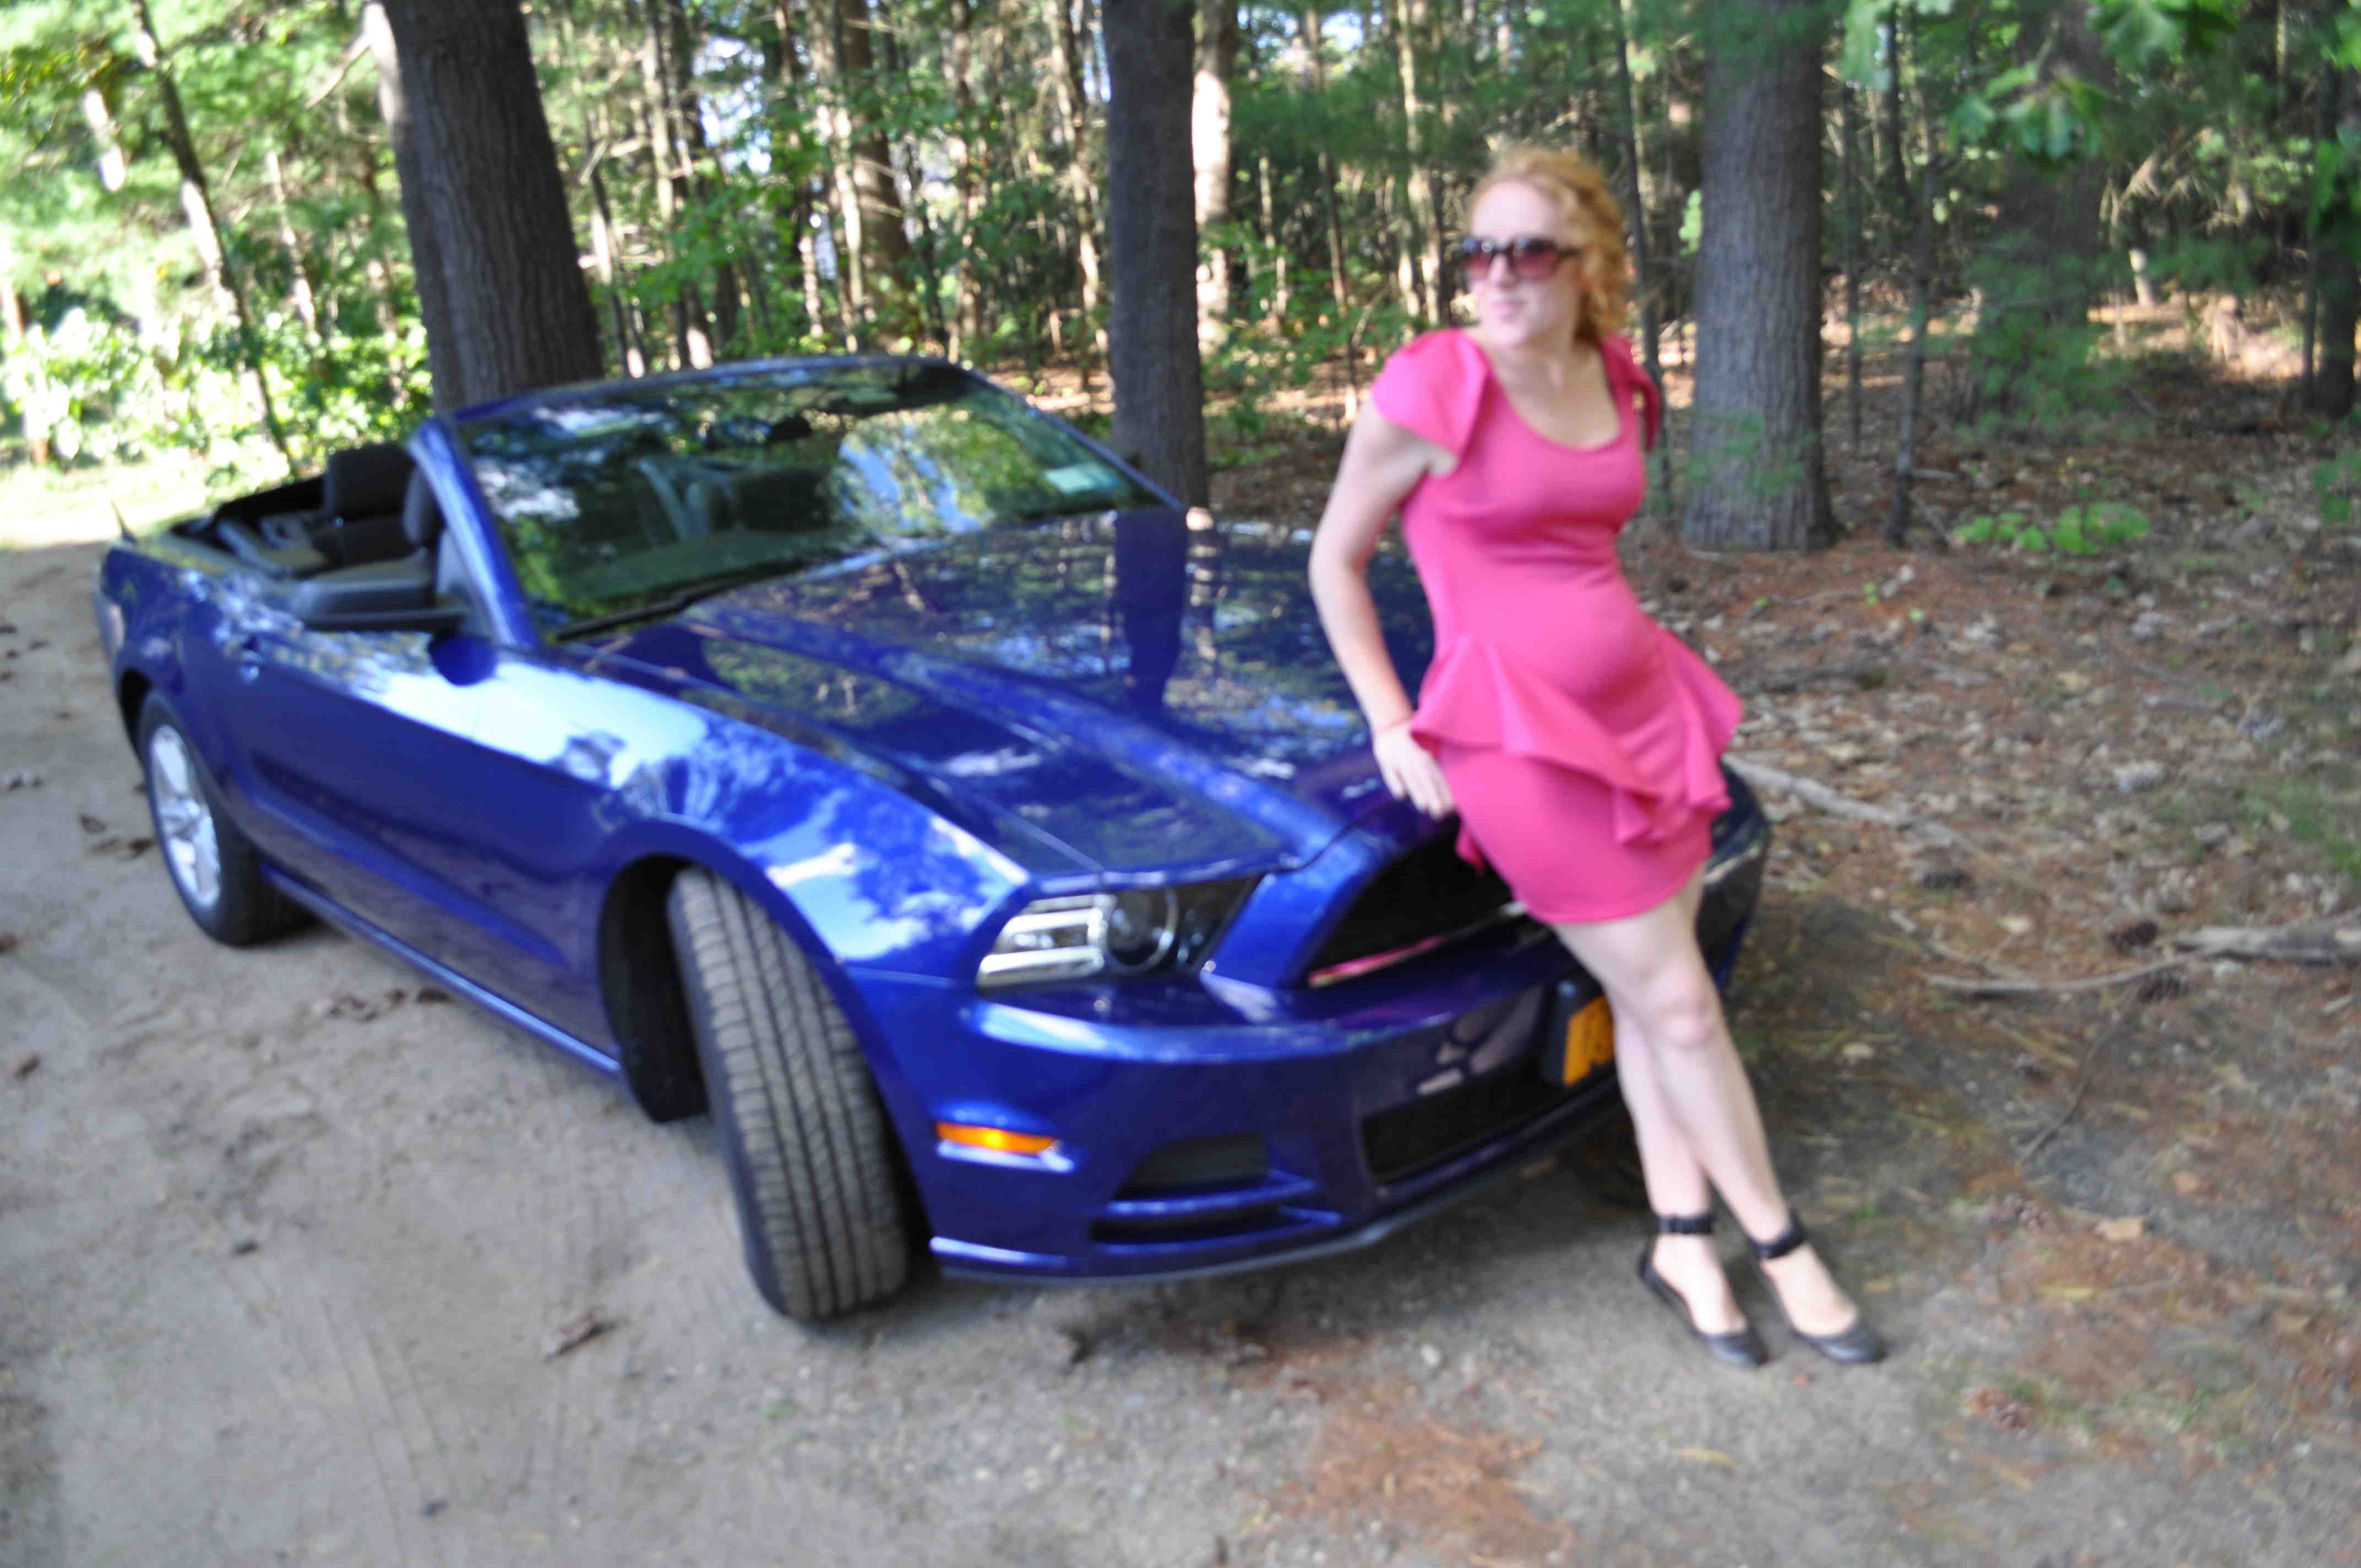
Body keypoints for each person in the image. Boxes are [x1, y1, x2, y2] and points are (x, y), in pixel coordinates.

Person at [1307, 146, 1883, 1367]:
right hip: (1513, 738)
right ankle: (1783, 1245)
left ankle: (1682, 1240)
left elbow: (1585, 548)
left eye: (1528, 250)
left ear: (1590, 265)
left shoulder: (1618, 379)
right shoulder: (1433, 383)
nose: (1497, 274)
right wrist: (1390, 719)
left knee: (1648, 997)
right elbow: (1334, 560)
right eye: (1478, 251)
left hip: (1641, 710)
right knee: (1681, 1001)